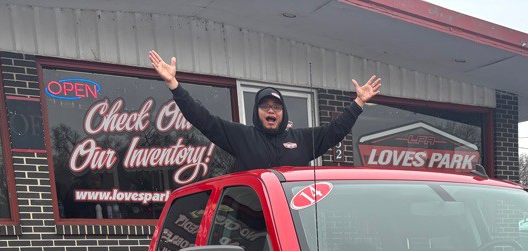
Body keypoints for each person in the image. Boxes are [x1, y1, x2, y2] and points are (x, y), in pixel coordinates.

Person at [148, 50, 381, 172]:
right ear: (257, 111)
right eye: (265, 106)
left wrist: (358, 103)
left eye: (277, 107)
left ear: (283, 112)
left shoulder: (302, 140)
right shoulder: (242, 137)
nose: (271, 111)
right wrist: (174, 85)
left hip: (291, 223)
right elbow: (203, 120)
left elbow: (335, 131)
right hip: (250, 227)